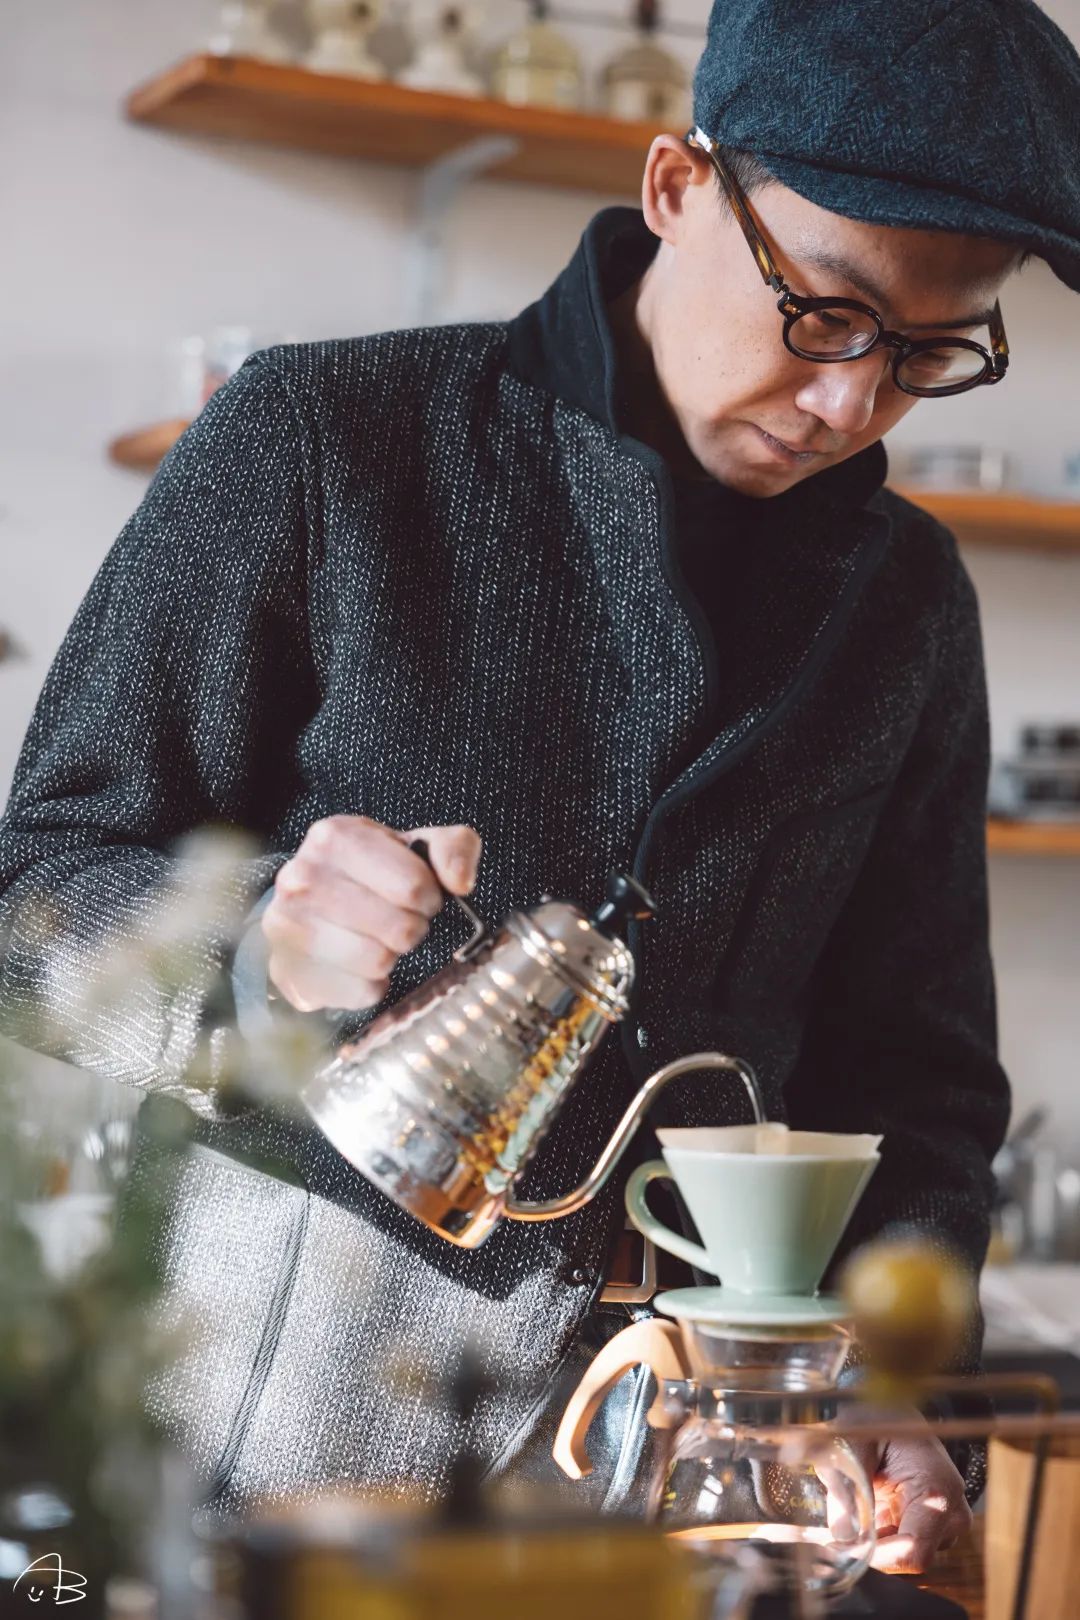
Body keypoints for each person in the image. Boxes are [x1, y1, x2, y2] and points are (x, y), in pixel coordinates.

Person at [2, 0, 1078, 1575]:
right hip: (270, 1458)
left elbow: (914, 1079)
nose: (857, 407)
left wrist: (890, 1378)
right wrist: (255, 962)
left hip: (691, 1500)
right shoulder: (319, 441)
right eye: (831, 315)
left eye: (932, 351)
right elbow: (34, 890)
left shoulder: (908, 604)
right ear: (673, 188)